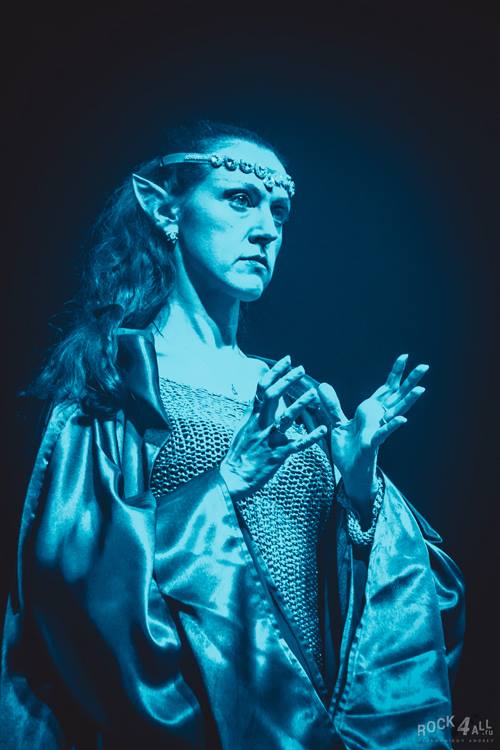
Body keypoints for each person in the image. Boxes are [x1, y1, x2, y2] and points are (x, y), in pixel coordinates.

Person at [0, 120, 465, 749]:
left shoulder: (293, 395)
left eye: (279, 211)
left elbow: (423, 604)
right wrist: (225, 483)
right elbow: (75, 580)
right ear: (165, 208)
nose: (267, 229)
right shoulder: (118, 380)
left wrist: (359, 489)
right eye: (240, 199)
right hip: (200, 719)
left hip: (313, 724)